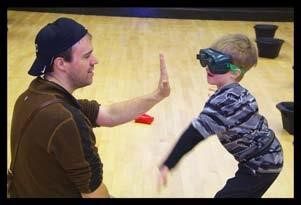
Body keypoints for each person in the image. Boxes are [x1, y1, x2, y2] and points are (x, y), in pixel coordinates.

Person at [9, 17, 170, 198]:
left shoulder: (32, 96)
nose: (95, 60)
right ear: (61, 63)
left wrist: (157, 95)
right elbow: (95, 195)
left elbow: (109, 114)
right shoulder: (65, 119)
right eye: (86, 56)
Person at [157, 34, 283, 198]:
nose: (208, 68)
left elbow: (194, 133)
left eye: (216, 64)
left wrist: (168, 163)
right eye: (207, 60)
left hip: (261, 165)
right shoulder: (237, 92)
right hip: (264, 156)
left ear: (235, 73)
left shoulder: (224, 103)